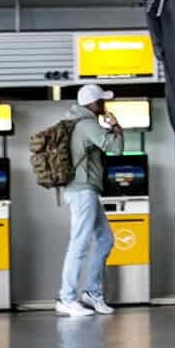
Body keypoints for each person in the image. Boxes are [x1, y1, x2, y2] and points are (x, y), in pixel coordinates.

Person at [55, 84, 122, 318]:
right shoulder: (86, 124)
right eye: (102, 101)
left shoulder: (76, 122)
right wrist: (115, 126)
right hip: (82, 191)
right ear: (94, 104)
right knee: (79, 243)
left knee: (105, 239)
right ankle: (66, 298)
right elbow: (115, 148)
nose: (104, 104)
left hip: (85, 190)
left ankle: (92, 293)